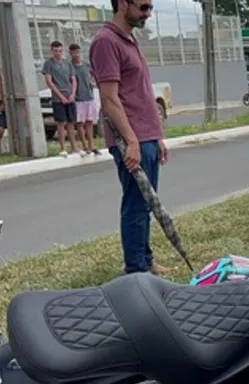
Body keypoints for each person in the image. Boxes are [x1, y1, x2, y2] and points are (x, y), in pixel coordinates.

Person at [90, 0, 172, 275]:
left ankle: (146, 260)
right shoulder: (106, 42)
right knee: (136, 205)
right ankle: (136, 270)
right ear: (123, 4)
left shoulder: (129, 40)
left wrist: (156, 136)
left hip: (146, 137)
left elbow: (140, 94)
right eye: (143, 7)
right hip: (131, 140)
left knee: (147, 204)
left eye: (150, 7)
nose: (148, 13)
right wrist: (132, 142)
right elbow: (110, 99)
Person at [43, 40, 78, 156]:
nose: (58, 53)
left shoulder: (67, 63)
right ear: (52, 51)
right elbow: (49, 81)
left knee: (71, 123)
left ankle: (74, 147)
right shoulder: (49, 64)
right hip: (58, 98)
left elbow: (73, 79)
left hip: (69, 96)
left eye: (60, 51)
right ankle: (63, 148)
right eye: (55, 51)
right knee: (61, 123)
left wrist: (72, 94)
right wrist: (61, 96)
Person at [70, 43, 101, 157]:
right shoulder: (70, 66)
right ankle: (85, 145)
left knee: (89, 122)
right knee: (80, 123)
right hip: (78, 98)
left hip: (89, 96)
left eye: (77, 52)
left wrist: (93, 82)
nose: (76, 55)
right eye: (74, 53)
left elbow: (95, 74)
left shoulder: (87, 65)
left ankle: (92, 145)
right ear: (71, 54)